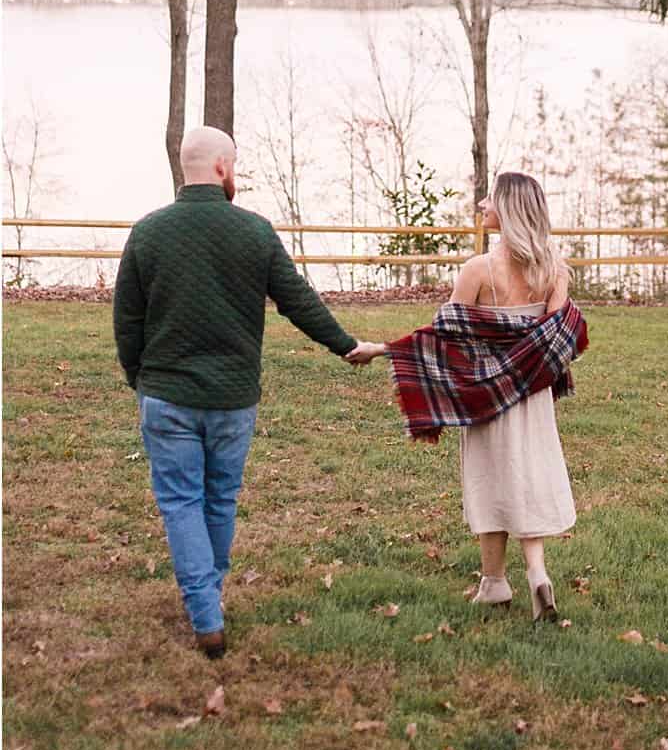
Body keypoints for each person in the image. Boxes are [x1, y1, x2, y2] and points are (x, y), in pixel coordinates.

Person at [113, 125, 359, 659]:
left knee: (181, 503)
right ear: (223, 167)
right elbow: (299, 301)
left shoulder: (148, 232)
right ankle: (210, 601)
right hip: (232, 400)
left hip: (167, 396)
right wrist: (346, 345)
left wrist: (141, 378)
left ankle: (205, 612)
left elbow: (126, 321)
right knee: (219, 500)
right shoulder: (255, 232)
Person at [349, 171, 586, 621]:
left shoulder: (480, 270)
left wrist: (382, 349)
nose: (481, 204)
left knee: (491, 480)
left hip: (485, 395)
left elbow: (443, 336)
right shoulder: (553, 269)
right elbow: (553, 344)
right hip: (531, 398)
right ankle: (535, 571)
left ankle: (495, 583)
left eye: (490, 198)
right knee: (527, 477)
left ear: (510, 209)